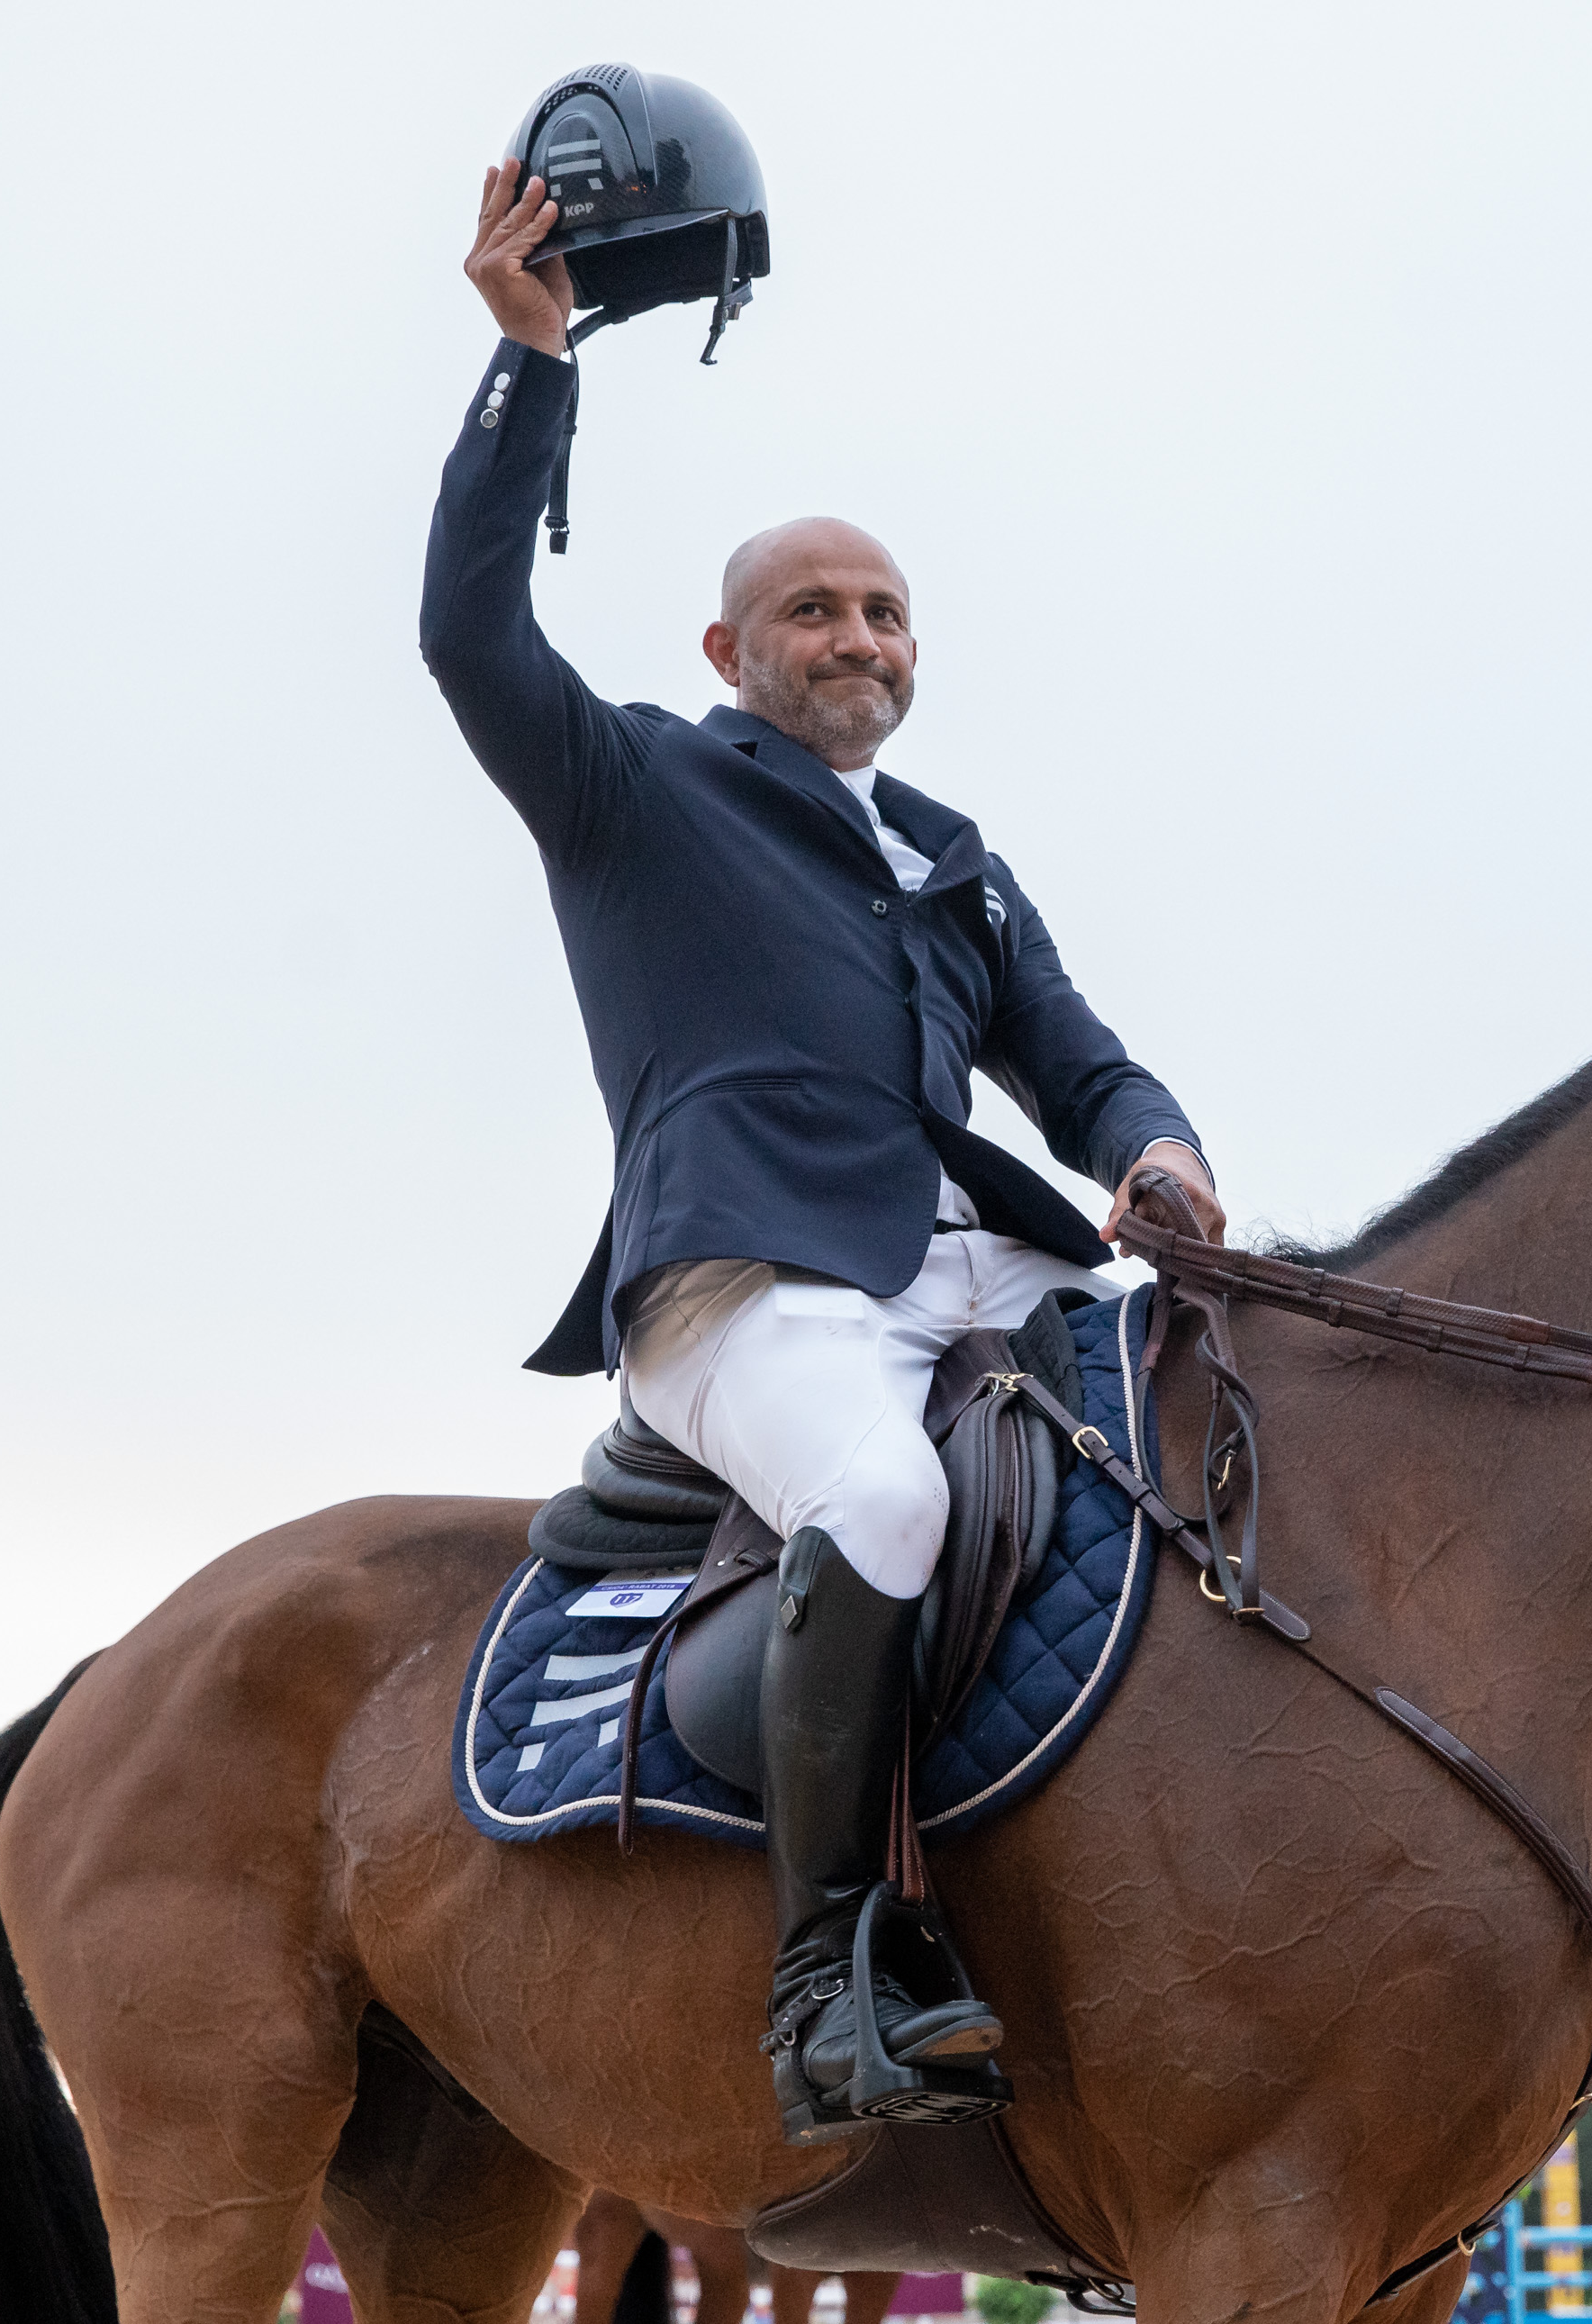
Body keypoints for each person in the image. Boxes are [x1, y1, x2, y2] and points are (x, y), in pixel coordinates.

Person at [422, 159, 1225, 2137]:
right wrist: (531, 368)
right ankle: (825, 1982)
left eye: (882, 610)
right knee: (876, 1504)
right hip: (748, 1280)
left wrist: (1167, 1163)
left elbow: (1081, 1063)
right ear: (727, 652)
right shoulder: (635, 783)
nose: (854, 633)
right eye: (811, 607)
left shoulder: (953, 857)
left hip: (978, 1249)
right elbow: (468, 635)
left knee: (1251, 1399)